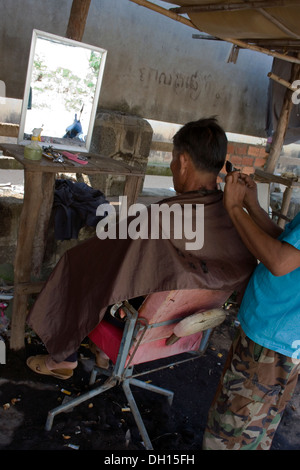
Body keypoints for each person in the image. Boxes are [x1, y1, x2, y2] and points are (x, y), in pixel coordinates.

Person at [26, 118, 256, 379]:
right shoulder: (235, 219)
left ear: (182, 162)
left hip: (139, 324)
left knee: (76, 265)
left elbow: (104, 262)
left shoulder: (160, 217)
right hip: (182, 326)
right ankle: (103, 353)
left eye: (172, 160)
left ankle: (63, 359)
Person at [203, 170, 300, 450]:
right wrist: (251, 207)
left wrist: (234, 208)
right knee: (252, 433)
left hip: (270, 343)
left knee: (230, 436)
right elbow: (287, 247)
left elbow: (280, 262)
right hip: (279, 341)